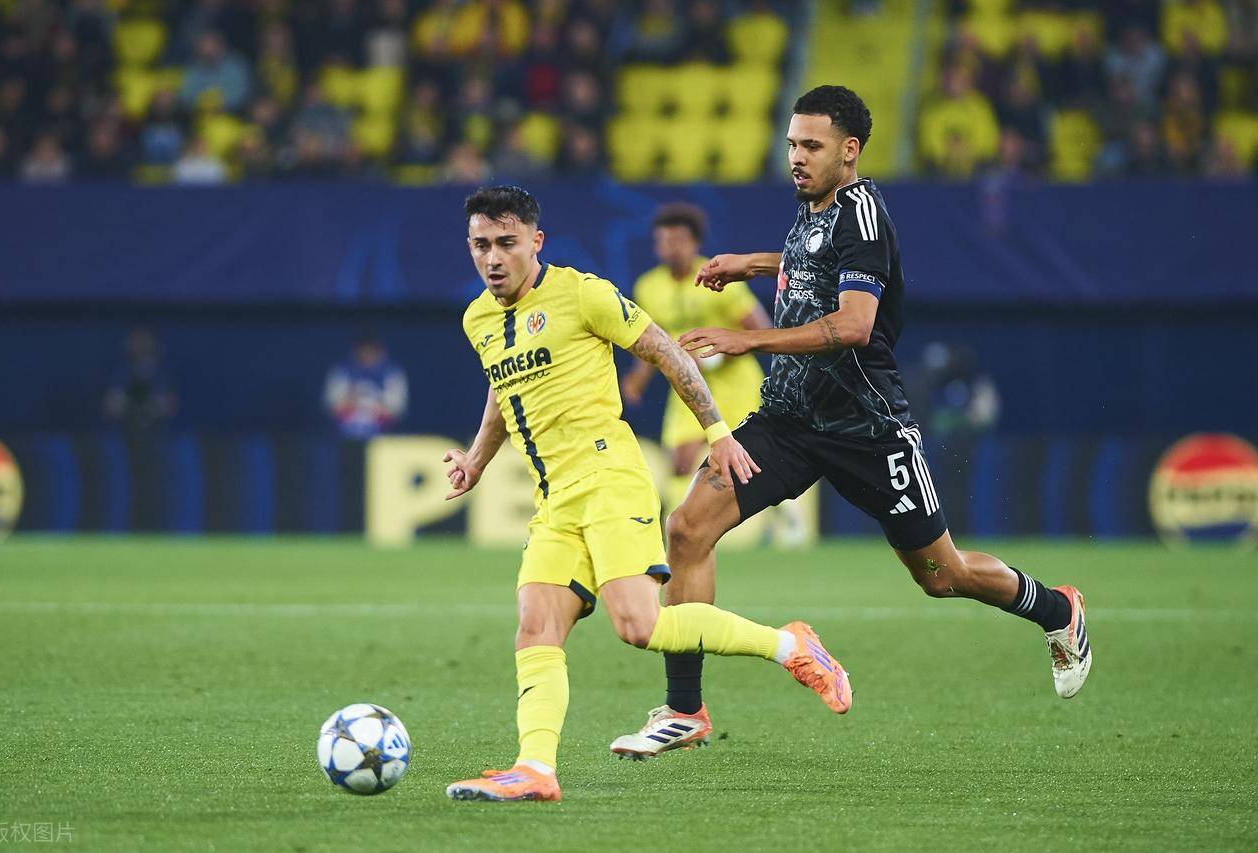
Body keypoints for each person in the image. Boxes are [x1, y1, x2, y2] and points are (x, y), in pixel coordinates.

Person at [608, 86, 1092, 760]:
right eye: (791, 144)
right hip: (788, 419)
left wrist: (750, 339)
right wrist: (753, 263)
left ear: (850, 150)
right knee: (688, 529)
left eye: (811, 145)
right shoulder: (814, 205)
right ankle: (685, 709)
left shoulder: (864, 215)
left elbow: (856, 324)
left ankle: (1057, 609)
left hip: (867, 429)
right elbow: (813, 264)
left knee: (942, 574)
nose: (796, 157)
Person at [441, 185, 851, 802]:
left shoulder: (583, 294)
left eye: (507, 242)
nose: (493, 258)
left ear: (535, 241)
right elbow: (504, 390)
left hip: (609, 478)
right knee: (535, 628)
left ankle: (792, 646)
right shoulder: (478, 318)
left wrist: (718, 433)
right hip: (554, 498)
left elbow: (666, 353)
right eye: (481, 245)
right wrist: (475, 460)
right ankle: (535, 769)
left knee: (639, 625)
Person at [621, 202, 770, 504]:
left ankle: (785, 517)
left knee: (750, 457)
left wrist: (714, 357)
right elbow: (653, 339)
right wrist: (638, 378)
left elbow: (762, 331)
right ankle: (678, 523)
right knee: (681, 459)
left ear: (696, 243)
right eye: (664, 241)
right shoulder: (648, 287)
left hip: (735, 384)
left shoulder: (720, 277)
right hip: (687, 382)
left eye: (679, 241)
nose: (671, 249)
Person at [323, 337, 407, 440]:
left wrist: (372, 406)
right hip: (345, 435)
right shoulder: (342, 371)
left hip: (382, 435)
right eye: (363, 352)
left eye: (371, 352)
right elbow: (332, 406)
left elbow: (395, 411)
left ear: (380, 352)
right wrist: (353, 401)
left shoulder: (391, 373)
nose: (367, 356)